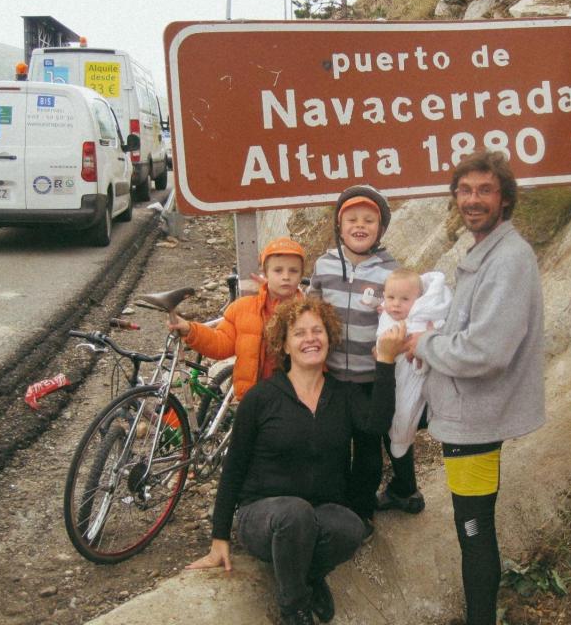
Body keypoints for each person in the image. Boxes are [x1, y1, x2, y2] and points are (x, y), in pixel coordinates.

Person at [186, 298, 406, 625]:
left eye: (318, 331)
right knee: (294, 514)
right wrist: (220, 538)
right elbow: (233, 469)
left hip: (320, 512)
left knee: (350, 527)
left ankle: (305, 575)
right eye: (299, 333)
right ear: (284, 345)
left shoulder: (343, 394)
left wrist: (385, 362)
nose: (310, 338)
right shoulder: (261, 398)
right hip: (264, 515)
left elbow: (377, 424)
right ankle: (295, 610)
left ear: (329, 339)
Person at [405, 149, 545, 625]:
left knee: (474, 529)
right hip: (471, 412)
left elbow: (486, 352)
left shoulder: (508, 259)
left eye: (485, 190)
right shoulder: (488, 252)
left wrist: (424, 343)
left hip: (476, 419)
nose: (472, 199)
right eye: (464, 190)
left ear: (505, 199)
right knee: (475, 527)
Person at [307, 186, 423, 539]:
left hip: (372, 377)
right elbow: (311, 308)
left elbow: (405, 313)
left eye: (369, 220)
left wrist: (402, 339)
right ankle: (339, 502)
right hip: (332, 377)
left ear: (381, 228)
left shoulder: (390, 271)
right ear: (339, 226)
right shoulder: (324, 266)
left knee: (369, 444)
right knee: (337, 442)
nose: (360, 226)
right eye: (352, 220)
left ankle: (362, 507)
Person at [168, 237, 305, 402]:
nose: (286, 276)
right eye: (278, 270)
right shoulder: (242, 308)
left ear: (301, 275)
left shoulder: (309, 314)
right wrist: (190, 330)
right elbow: (221, 344)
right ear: (265, 273)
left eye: (293, 271)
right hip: (253, 400)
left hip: (296, 400)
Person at [375, 268, 451, 461]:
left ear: (419, 300)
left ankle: (402, 438)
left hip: (414, 371)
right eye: (390, 298)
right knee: (395, 406)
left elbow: (437, 331)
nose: (396, 304)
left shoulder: (423, 317)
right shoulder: (387, 313)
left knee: (407, 406)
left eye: (404, 299)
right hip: (391, 369)